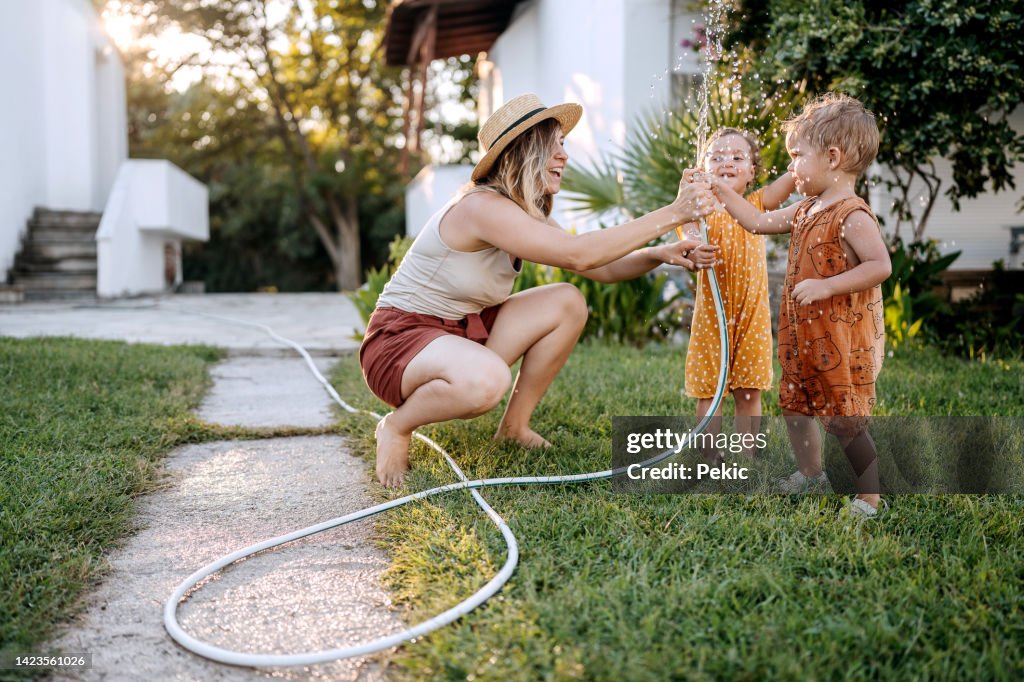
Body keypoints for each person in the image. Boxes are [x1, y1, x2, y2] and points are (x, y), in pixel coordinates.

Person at [360, 93, 719, 487]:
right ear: (525, 150)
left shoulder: (520, 212)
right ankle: (396, 427)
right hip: (400, 342)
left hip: (459, 333)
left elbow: (601, 267)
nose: (564, 156)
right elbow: (579, 255)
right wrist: (675, 212)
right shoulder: (481, 208)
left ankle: (514, 428)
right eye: (555, 144)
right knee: (487, 380)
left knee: (566, 301)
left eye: (564, 145)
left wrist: (660, 253)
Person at [707, 93, 891, 517]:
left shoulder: (852, 214)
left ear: (831, 157)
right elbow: (756, 221)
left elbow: (879, 265)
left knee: (845, 418)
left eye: (796, 157)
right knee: (794, 405)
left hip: (839, 337)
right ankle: (812, 474)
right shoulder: (806, 208)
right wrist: (719, 188)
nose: (791, 168)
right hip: (802, 334)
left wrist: (828, 287)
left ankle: (870, 496)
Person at [680, 128, 795, 460]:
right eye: (716, 157)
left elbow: (791, 178)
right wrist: (693, 247)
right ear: (702, 168)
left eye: (736, 157)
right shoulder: (699, 210)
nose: (726, 163)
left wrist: (805, 152)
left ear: (752, 171)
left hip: (752, 315)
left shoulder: (758, 203)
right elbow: (687, 238)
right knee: (710, 391)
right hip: (710, 318)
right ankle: (708, 457)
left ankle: (746, 458)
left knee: (749, 389)